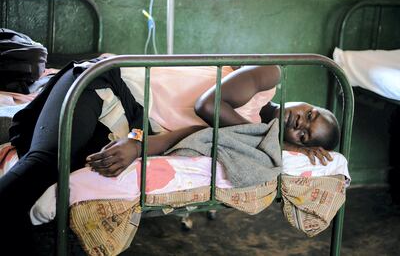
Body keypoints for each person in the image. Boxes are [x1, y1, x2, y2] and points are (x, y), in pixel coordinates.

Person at [0, 56, 339, 253]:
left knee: (67, 175)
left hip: (127, 115)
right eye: (309, 114)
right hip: (103, 80)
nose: (300, 122)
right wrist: (275, 137)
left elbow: (180, 135)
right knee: (45, 165)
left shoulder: (245, 137)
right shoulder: (269, 77)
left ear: (299, 146)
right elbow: (207, 105)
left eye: (304, 135)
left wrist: (137, 145)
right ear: (305, 102)